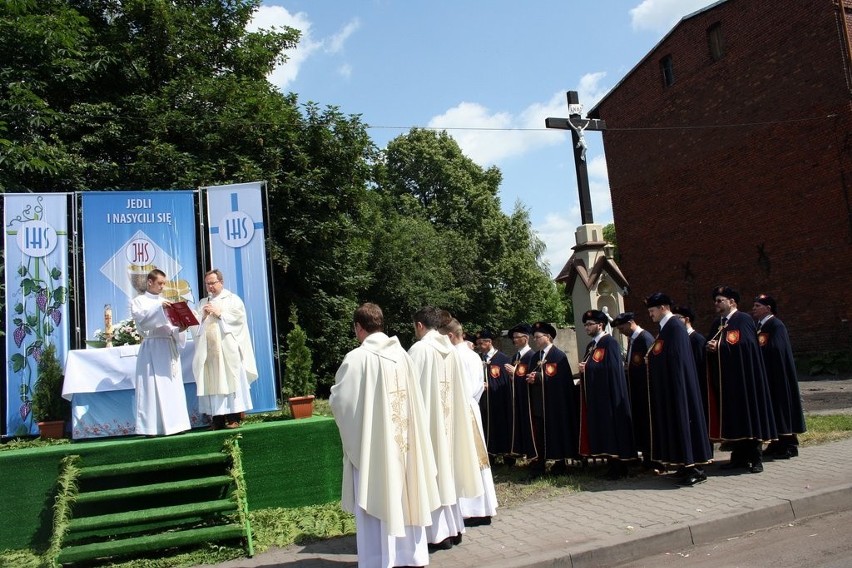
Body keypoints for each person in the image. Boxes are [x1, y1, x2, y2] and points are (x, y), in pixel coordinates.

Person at [329, 303, 440, 568]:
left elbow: (340, 402)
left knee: (376, 496)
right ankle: (411, 557)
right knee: (406, 495)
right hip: (405, 443)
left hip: (375, 448)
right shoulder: (402, 355)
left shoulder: (358, 358)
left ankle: (379, 560)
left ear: (358, 327)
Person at [408, 306, 483, 551]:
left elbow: (411, 391)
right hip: (451, 422)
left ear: (420, 325)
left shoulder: (420, 350)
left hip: (429, 424)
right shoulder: (450, 350)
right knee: (447, 473)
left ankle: (438, 534)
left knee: (431, 475)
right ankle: (454, 527)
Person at [706, 286, 777, 473]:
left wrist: (719, 346)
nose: (716, 303)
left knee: (749, 419)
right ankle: (738, 458)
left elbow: (746, 345)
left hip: (745, 382)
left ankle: (755, 459)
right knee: (733, 421)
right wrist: (710, 346)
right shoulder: (718, 323)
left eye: (720, 300)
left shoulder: (743, 319)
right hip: (726, 383)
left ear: (732, 302)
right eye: (715, 301)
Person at [645, 294, 713, 486]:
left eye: (652, 310)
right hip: (670, 386)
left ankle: (696, 468)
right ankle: (685, 464)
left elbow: (676, 359)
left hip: (679, 386)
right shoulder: (665, 328)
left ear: (663, 307)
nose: (650, 315)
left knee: (685, 423)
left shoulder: (674, 327)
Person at [439, 318, 498, 527]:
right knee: (477, 460)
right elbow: (478, 387)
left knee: (467, 459)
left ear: (450, 336)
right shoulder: (473, 355)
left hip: (462, 410)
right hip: (473, 406)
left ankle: (471, 509)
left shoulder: (454, 355)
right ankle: (483, 508)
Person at [192, 269, 258, 430]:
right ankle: (217, 419)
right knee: (212, 382)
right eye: (207, 284)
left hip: (226, 349)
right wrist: (203, 317)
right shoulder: (202, 303)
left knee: (229, 380)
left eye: (213, 283)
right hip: (209, 351)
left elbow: (239, 319)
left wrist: (220, 313)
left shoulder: (232, 300)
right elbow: (195, 327)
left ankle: (234, 417)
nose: (210, 287)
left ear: (221, 282)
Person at [130, 268, 191, 436]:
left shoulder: (165, 301)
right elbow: (143, 322)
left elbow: (172, 327)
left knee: (172, 386)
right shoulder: (138, 301)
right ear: (150, 282)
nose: (162, 287)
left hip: (168, 346)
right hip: (152, 346)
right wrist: (159, 308)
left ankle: (176, 425)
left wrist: (182, 328)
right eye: (160, 283)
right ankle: (150, 428)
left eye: (164, 283)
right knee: (151, 387)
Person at [576, 310, 635, 480]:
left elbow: (612, 369)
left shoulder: (609, 343)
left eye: (589, 324)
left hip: (609, 395)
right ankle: (610, 463)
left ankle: (619, 466)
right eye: (585, 325)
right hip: (596, 397)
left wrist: (587, 368)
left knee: (612, 430)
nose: (586, 328)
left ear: (600, 325)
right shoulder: (591, 346)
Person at [521, 321, 579, 479]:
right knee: (539, 435)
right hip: (538, 403)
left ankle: (559, 463)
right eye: (534, 337)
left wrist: (539, 377)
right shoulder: (535, 357)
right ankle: (539, 464)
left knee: (556, 432)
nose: (535, 340)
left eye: (538, 337)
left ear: (547, 337)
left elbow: (562, 381)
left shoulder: (558, 356)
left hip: (554, 404)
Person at [752, 294, 806, 459]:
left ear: (768, 308)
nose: (753, 308)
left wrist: (758, 352)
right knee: (772, 410)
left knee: (783, 409)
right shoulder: (759, 326)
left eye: (757, 306)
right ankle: (775, 443)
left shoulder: (776, 324)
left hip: (778, 376)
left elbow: (777, 348)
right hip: (767, 376)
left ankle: (789, 444)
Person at [612, 312, 655, 467]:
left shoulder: (644, 338)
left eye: (622, 327)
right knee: (640, 425)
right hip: (635, 391)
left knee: (648, 425)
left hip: (645, 391)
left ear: (631, 323)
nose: (621, 330)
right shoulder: (632, 340)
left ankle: (654, 460)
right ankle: (646, 456)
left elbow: (651, 365)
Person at [476, 329, 513, 460]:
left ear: (489, 342)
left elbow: (505, 381)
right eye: (478, 344)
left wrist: (490, 385)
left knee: (500, 426)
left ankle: (506, 456)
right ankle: (490, 455)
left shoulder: (502, 359)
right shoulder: (478, 359)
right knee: (486, 425)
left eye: (482, 343)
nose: (479, 346)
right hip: (483, 400)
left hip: (498, 399)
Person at [504, 323, 536, 461]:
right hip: (516, 398)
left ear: (526, 338)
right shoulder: (515, 357)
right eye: (513, 338)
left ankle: (532, 456)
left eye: (517, 337)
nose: (514, 340)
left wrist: (515, 372)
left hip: (527, 399)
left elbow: (530, 377)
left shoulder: (531, 356)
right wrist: (512, 376)